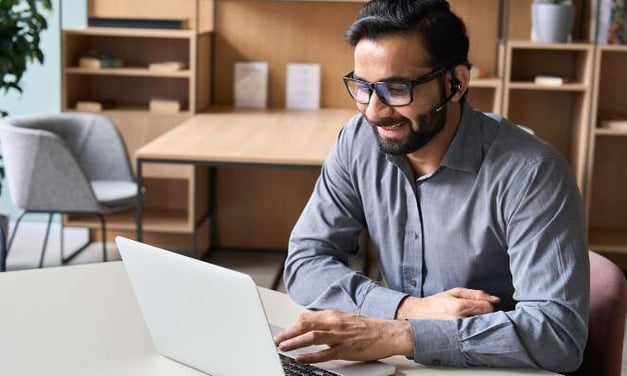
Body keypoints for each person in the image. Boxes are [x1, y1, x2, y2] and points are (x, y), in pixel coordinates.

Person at [274, 0, 589, 372]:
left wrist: (400, 334)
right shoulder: (358, 140)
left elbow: (557, 335)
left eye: (396, 88)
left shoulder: (532, 173)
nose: (374, 110)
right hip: (400, 366)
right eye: (363, 86)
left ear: (456, 83)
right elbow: (305, 262)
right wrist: (408, 310)